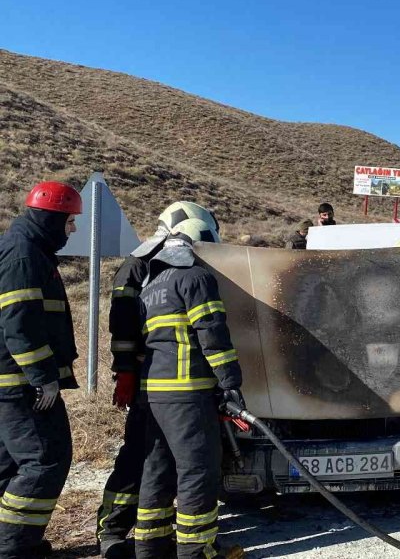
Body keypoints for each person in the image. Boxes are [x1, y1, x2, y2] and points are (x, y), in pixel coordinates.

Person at [96, 202, 221, 559]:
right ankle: (113, 530)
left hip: (161, 379)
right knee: (140, 456)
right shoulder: (141, 263)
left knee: (160, 463)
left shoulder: (172, 264)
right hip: (151, 379)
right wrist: (126, 371)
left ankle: (155, 539)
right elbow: (122, 323)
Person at [134, 214, 244, 559]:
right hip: (188, 393)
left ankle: (150, 547)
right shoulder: (195, 278)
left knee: (158, 468)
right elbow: (211, 332)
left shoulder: (152, 284)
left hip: (154, 392)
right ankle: (197, 551)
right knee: (197, 469)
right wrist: (230, 383)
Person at [0, 181, 82, 558]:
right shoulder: (23, 255)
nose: (73, 230)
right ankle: (15, 547)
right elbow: (19, 323)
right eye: (69, 222)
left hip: (11, 383)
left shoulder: (26, 249)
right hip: (20, 386)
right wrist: (43, 378)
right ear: (51, 219)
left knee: (10, 465)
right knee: (45, 460)